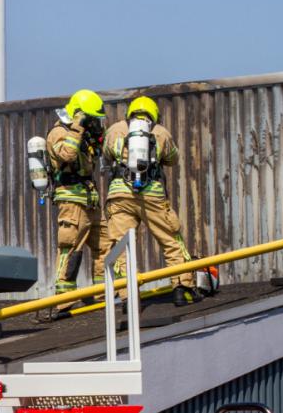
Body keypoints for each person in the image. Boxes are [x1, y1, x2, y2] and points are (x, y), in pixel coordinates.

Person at [103, 96, 201, 306]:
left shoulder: (114, 130)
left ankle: (129, 298)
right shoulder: (161, 132)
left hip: (120, 194)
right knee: (171, 240)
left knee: (121, 248)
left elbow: (107, 155)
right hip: (152, 194)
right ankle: (182, 288)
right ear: (153, 113)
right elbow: (173, 158)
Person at [46, 89, 110, 296]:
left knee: (105, 244)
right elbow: (67, 154)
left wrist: (96, 134)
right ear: (78, 114)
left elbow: (97, 153)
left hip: (90, 197)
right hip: (71, 199)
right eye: (90, 118)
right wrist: (77, 127)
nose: (93, 122)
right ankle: (64, 299)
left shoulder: (83, 134)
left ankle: (103, 293)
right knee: (71, 247)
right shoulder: (59, 132)